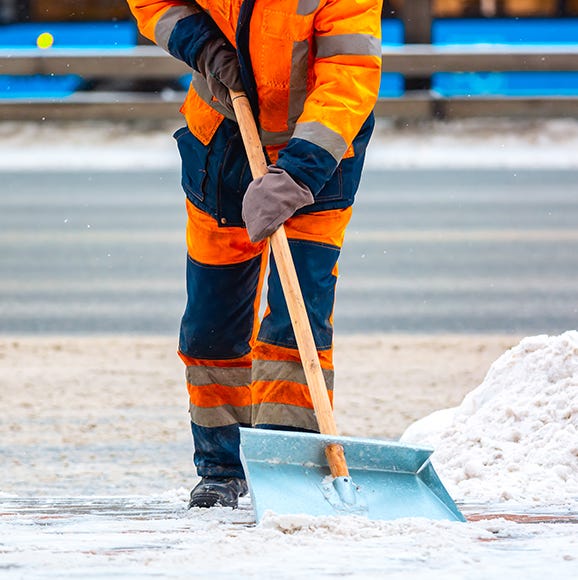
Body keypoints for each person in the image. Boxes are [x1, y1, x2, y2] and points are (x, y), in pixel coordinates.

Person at [127, 0, 382, 509]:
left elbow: (348, 72)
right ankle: (222, 468)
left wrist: (298, 174)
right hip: (222, 146)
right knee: (212, 325)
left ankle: (292, 469)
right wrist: (202, 43)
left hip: (319, 162)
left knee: (296, 327)